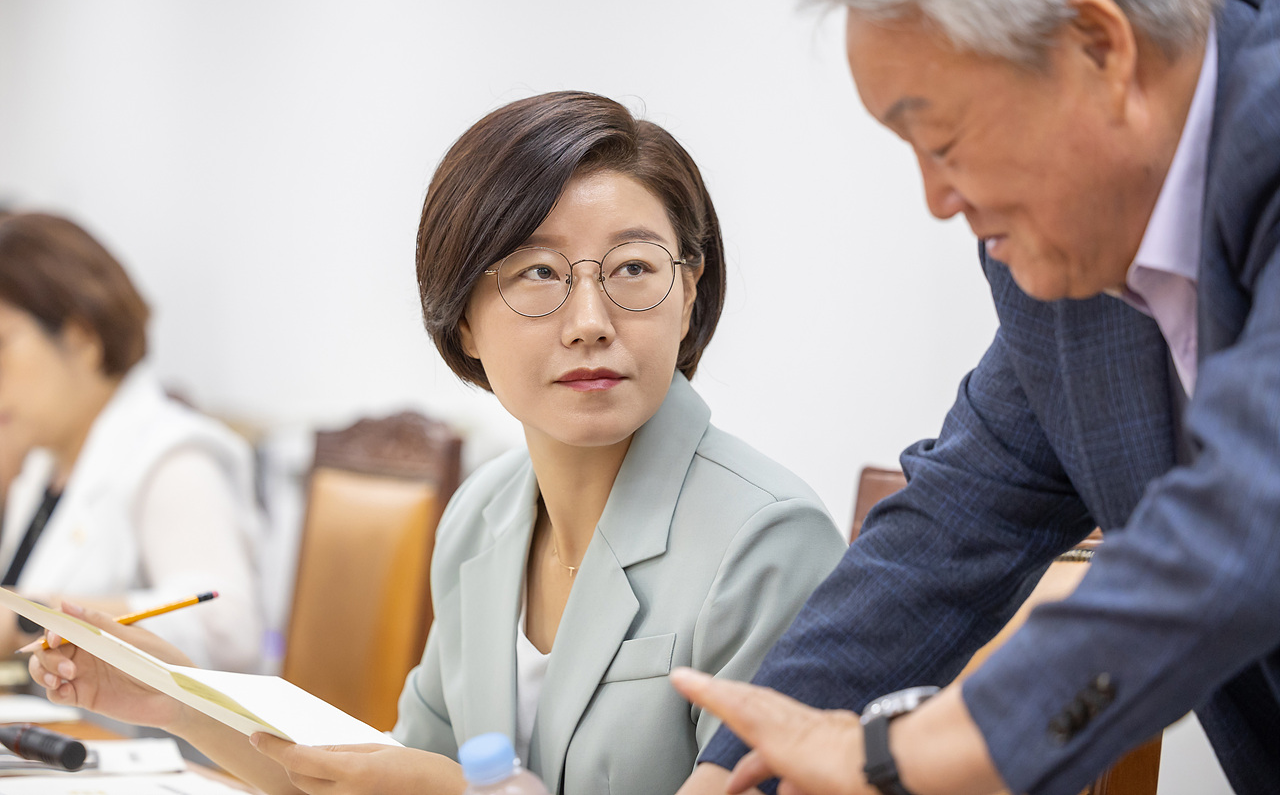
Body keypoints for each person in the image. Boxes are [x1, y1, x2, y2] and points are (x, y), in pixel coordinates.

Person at [29, 91, 847, 795]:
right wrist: (175, 694)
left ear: (689, 289)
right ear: (462, 317)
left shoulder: (768, 541)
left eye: (633, 268)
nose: (591, 323)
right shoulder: (481, 517)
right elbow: (384, 777)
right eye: (537, 273)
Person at [671, 0, 1280, 795]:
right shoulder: (1072, 258)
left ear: (1099, 49)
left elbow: (1250, 518)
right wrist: (737, 769)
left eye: (944, 140)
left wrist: (899, 758)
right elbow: (946, 538)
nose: (936, 198)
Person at [0, 213, 264, 673]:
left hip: (140, 742)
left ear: (82, 339)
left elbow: (226, 624)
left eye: (1, 345)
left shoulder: (173, 456)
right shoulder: (43, 467)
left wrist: (32, 617)